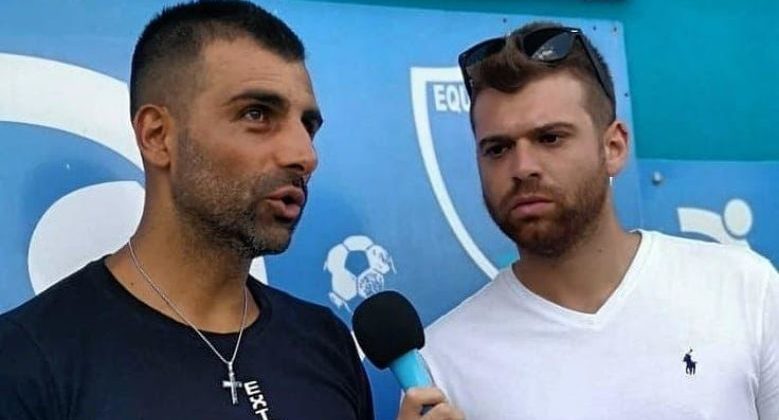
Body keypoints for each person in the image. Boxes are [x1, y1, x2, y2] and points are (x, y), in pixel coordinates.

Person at [0, 2, 373, 419]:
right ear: (158, 136)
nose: (304, 155)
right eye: (257, 114)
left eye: (308, 126)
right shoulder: (28, 361)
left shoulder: (325, 343)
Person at [403, 22, 779, 419]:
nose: (523, 167)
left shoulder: (743, 290)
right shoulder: (443, 363)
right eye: (498, 148)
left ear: (613, 147)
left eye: (550, 138)